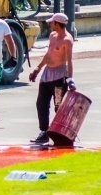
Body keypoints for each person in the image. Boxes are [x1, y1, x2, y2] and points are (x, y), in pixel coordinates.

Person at [28, 12, 75, 144]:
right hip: (47, 75)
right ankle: (44, 131)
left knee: (58, 106)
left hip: (59, 78)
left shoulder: (67, 40)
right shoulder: (52, 36)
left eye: (52, 22)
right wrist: (38, 69)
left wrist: (70, 78)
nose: (50, 24)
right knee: (41, 104)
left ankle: (62, 133)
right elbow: (48, 54)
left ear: (57, 24)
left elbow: (69, 61)